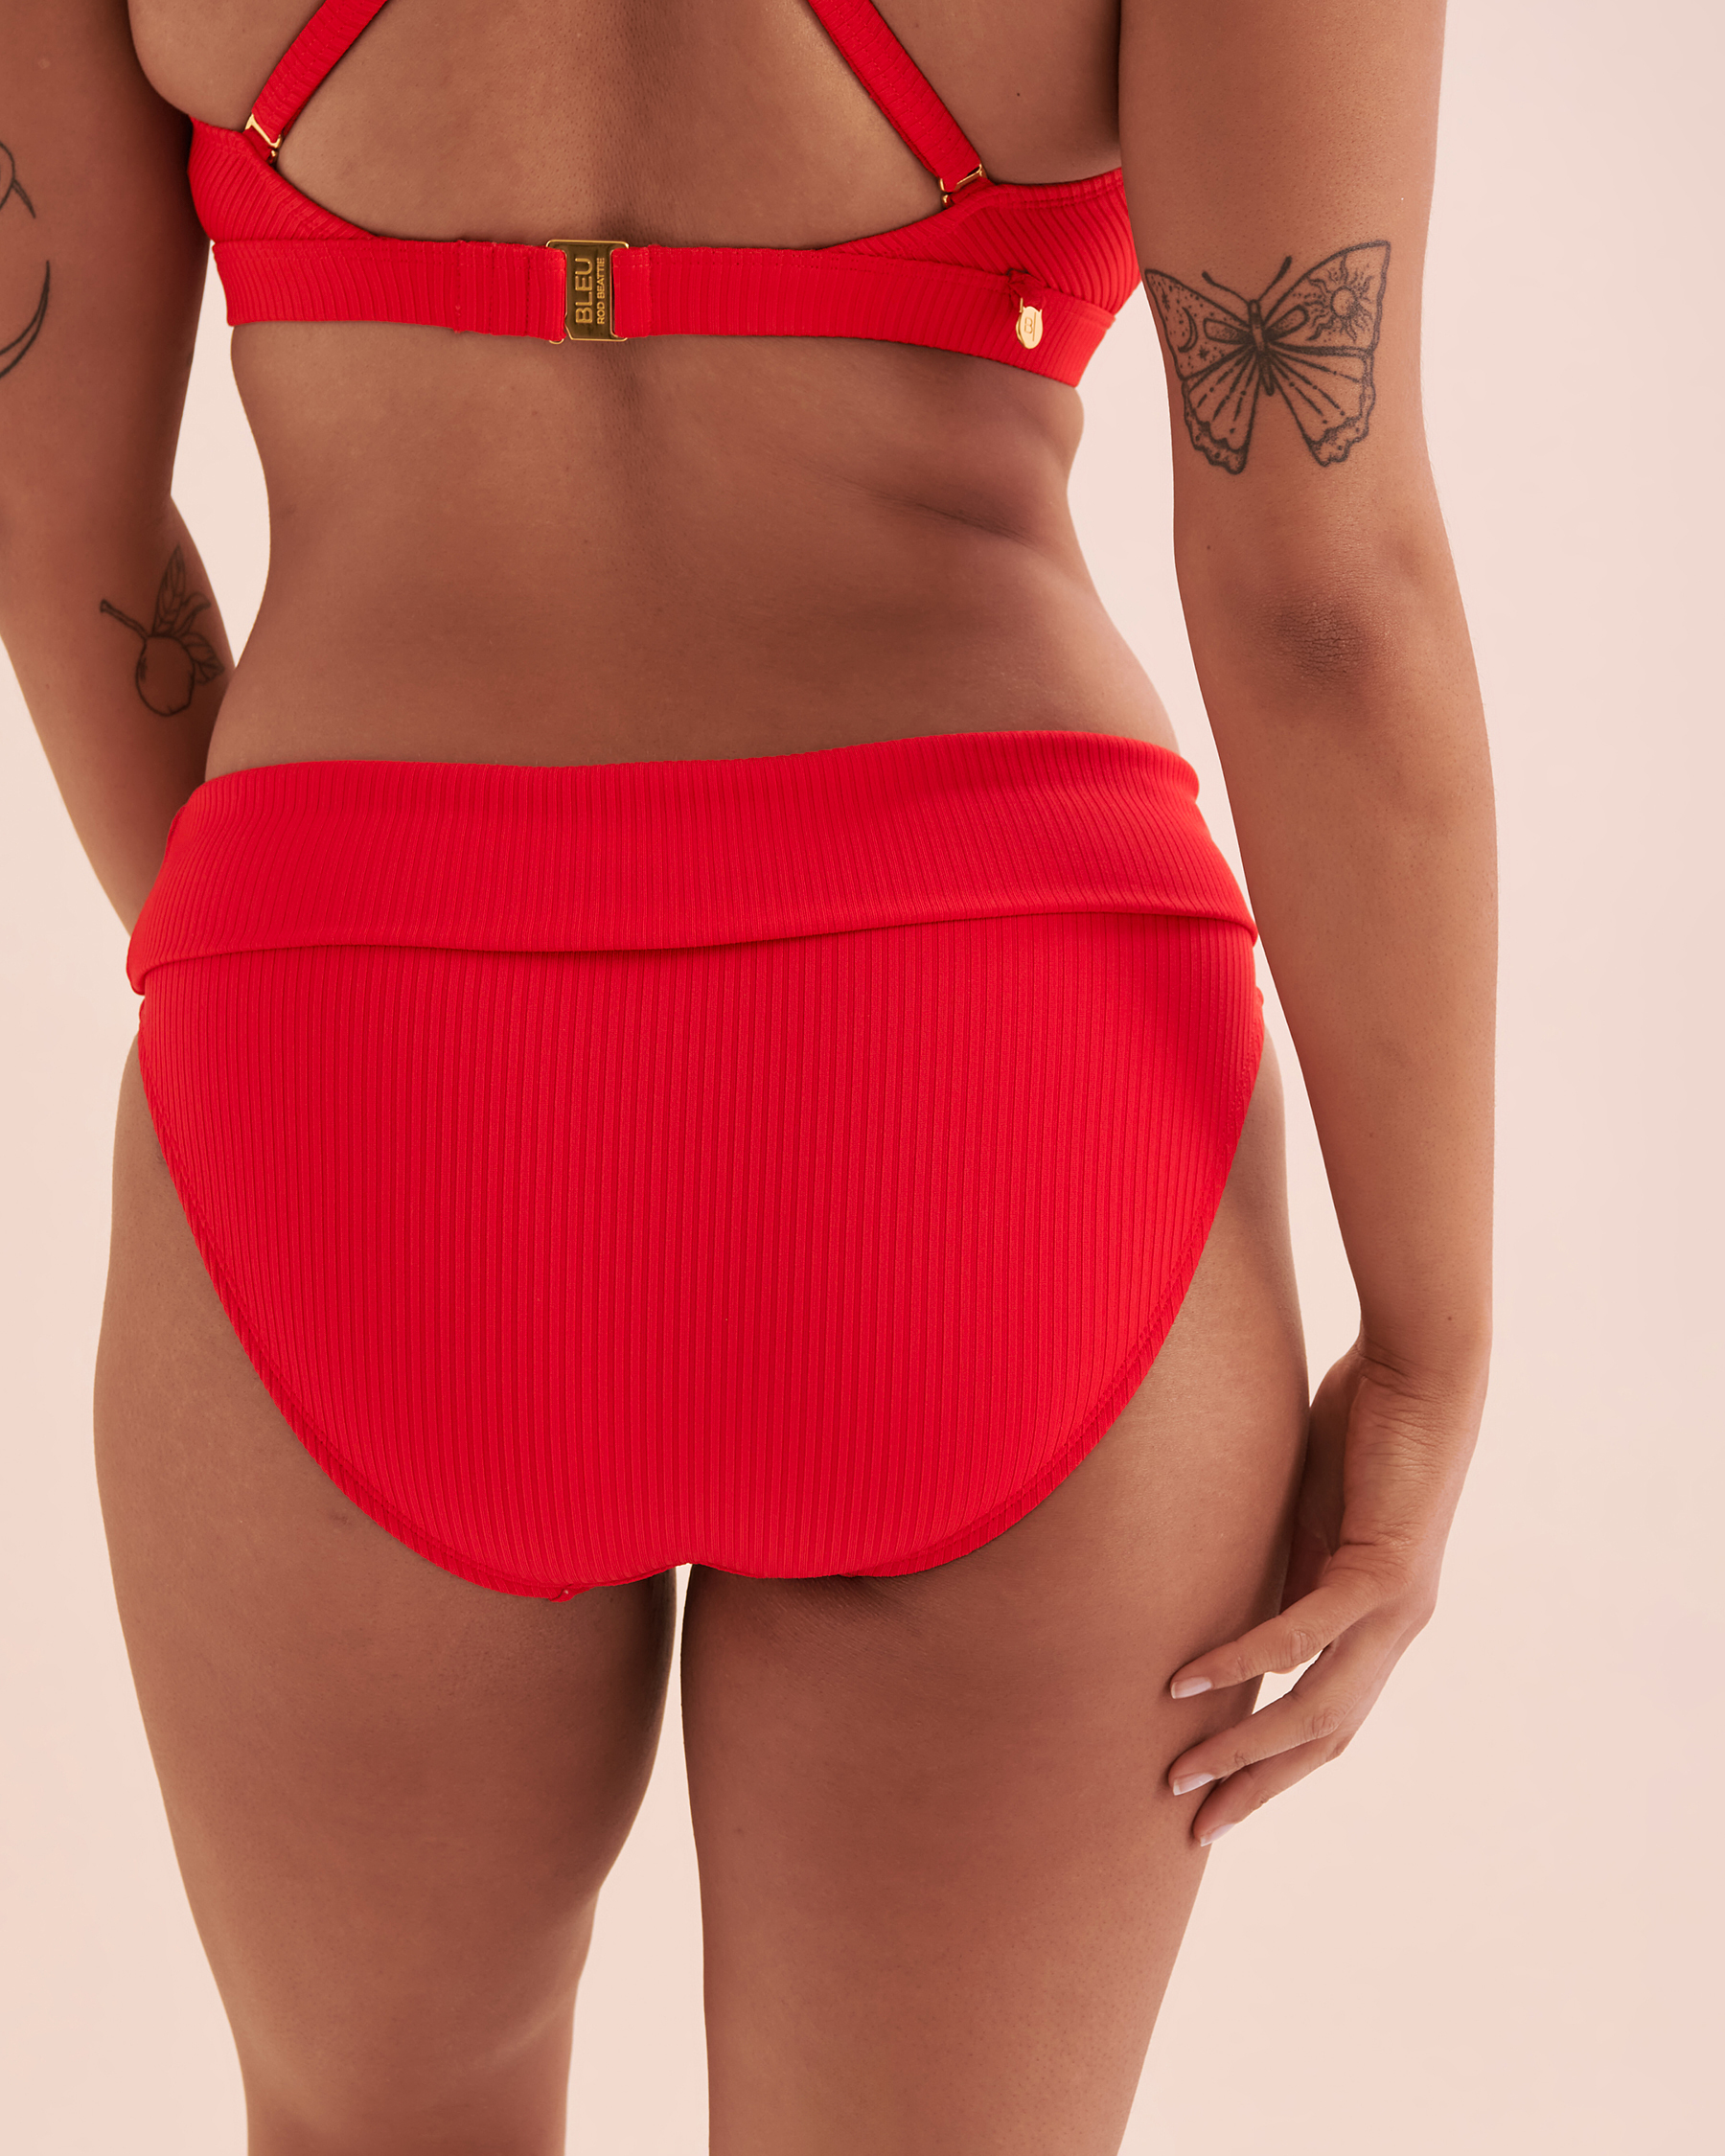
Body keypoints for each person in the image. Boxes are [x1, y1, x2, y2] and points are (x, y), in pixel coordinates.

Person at [0, 2, 1494, 2148]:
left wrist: (304, 986)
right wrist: (1430, 1335)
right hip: (1006, 1092)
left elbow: (53, 519)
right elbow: (1327, 601)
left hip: (360, 1080)